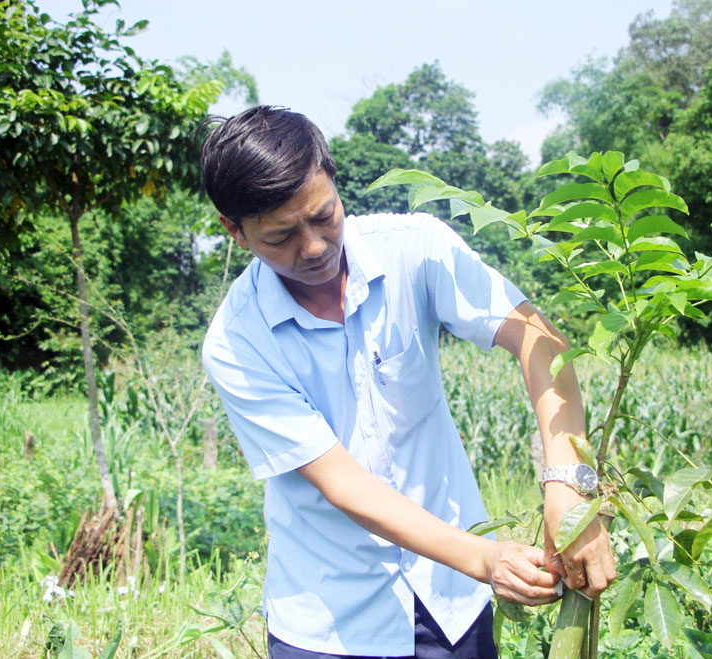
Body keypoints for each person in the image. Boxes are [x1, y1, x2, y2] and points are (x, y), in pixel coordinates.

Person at [198, 105, 615, 658]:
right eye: (281, 236)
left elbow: (539, 339)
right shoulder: (237, 341)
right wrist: (484, 559)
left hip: (452, 606)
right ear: (236, 232)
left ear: (334, 180)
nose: (315, 246)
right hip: (331, 624)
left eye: (324, 216)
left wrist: (568, 483)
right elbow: (342, 482)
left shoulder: (412, 248)